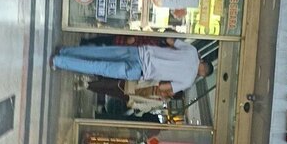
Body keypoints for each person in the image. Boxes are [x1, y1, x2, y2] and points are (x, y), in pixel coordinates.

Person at [51, 37, 212, 96]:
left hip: (140, 53)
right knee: (98, 68)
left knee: (100, 52)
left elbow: (170, 41)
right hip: (140, 72)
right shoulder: (188, 81)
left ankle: (64, 51)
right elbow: (163, 87)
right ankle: (58, 61)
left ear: (203, 61)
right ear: (203, 75)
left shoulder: (192, 51)